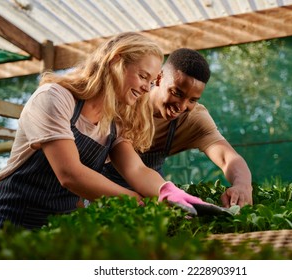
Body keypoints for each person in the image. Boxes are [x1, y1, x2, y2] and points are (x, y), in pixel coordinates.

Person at [0, 33, 212, 230]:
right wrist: (139, 203)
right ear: (116, 61)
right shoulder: (55, 98)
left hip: (60, 229)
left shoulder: (114, 123)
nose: (146, 88)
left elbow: (137, 170)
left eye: (151, 82)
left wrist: (167, 192)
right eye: (143, 76)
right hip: (11, 222)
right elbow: (70, 174)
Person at [103, 48, 253, 208]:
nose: (181, 106)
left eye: (192, 100)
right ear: (159, 78)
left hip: (153, 187)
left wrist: (242, 185)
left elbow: (227, 158)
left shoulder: (194, 118)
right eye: (177, 93)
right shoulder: (129, 100)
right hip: (103, 184)